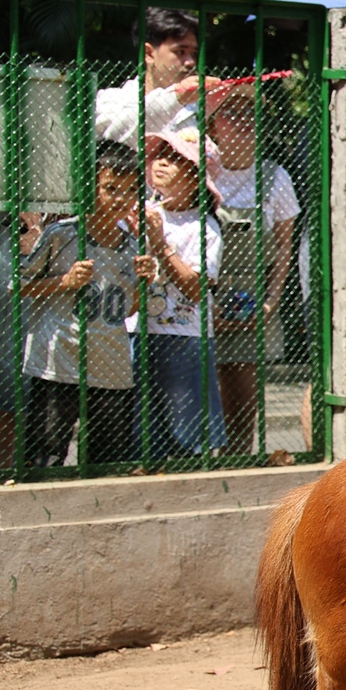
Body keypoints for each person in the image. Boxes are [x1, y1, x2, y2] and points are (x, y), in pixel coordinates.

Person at [15, 141, 158, 466]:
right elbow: (18, 286)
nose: (120, 198)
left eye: (128, 190)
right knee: (44, 457)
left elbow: (129, 309)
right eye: (110, 188)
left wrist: (144, 282)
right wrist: (63, 282)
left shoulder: (135, 244)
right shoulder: (61, 235)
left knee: (106, 461)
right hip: (58, 365)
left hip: (110, 367)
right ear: (87, 186)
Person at [204, 82, 299, 455]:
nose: (244, 122)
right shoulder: (197, 171)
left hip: (251, 304)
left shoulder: (276, 178)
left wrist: (270, 302)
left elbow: (284, 246)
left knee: (243, 409)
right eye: (233, 113)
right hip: (197, 301)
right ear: (212, 126)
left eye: (252, 115)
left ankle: (239, 465)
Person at [136, 125, 225, 455]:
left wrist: (160, 245)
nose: (161, 162)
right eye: (159, 155)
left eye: (174, 159)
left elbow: (197, 289)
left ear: (195, 178)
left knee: (185, 431)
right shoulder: (134, 213)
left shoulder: (204, 228)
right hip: (135, 331)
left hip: (183, 335)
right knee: (142, 427)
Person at [94, 8, 200, 145]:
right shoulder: (111, 101)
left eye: (193, 54)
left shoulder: (201, 107)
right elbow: (117, 137)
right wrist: (175, 98)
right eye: (180, 52)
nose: (191, 62)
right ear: (148, 53)